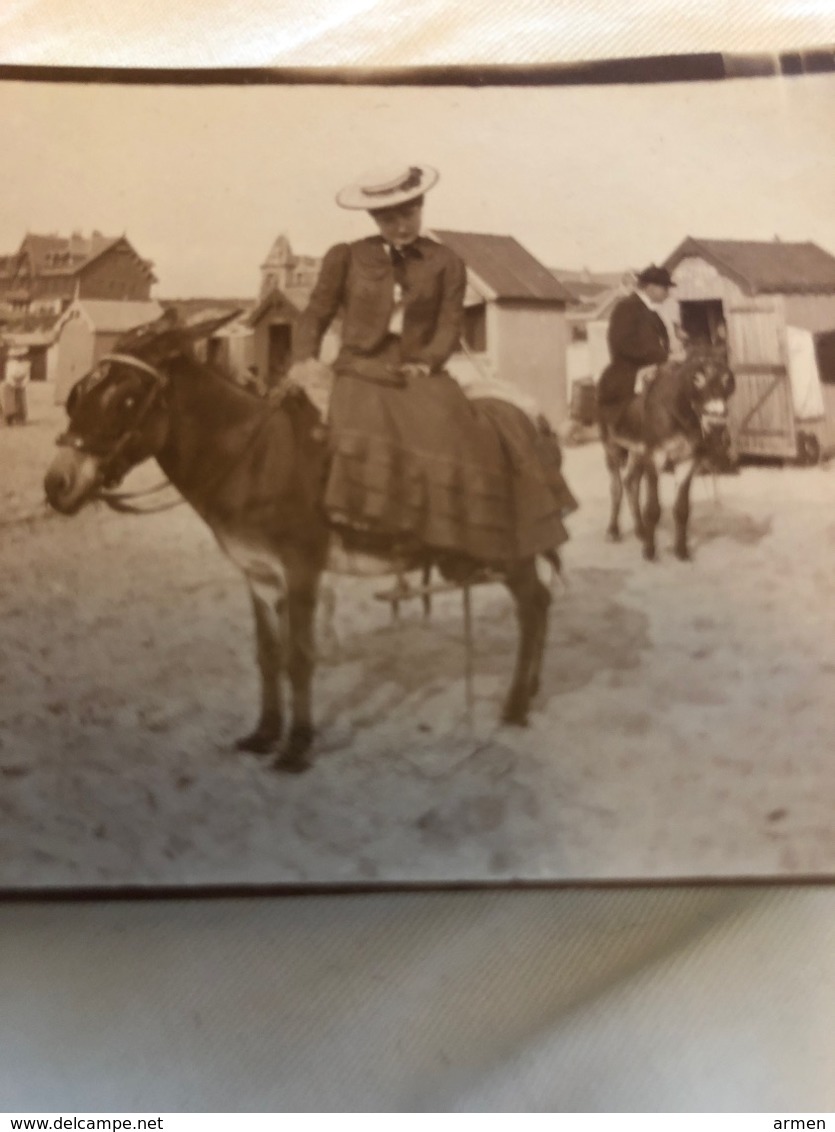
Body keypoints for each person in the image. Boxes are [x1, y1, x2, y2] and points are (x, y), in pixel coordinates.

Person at [286, 162, 577, 569]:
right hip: (360, 366)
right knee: (357, 418)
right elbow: (315, 313)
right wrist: (303, 361)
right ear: (373, 218)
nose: (401, 226)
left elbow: (449, 323)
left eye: (408, 214)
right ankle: (375, 524)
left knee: (451, 426)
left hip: (419, 369)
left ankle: (453, 535)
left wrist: (426, 362)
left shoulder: (446, 261)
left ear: (421, 208)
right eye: (388, 218)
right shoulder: (348, 257)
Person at [596, 264, 674, 436]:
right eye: (665, 288)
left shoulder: (652, 312)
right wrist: (660, 355)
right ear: (651, 288)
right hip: (629, 371)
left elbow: (661, 343)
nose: (668, 292)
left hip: (655, 366)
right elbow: (621, 343)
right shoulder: (627, 307)